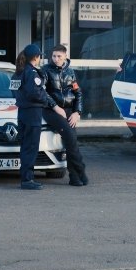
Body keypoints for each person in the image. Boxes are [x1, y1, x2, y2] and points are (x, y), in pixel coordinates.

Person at [13, 45, 66, 190]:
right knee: (31, 147)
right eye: (39, 56)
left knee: (25, 147)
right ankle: (27, 180)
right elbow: (35, 93)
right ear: (35, 57)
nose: (40, 58)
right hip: (33, 113)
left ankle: (26, 178)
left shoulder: (18, 72)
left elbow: (13, 91)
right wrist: (45, 100)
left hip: (22, 112)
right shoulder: (31, 73)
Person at [42, 44, 89, 187]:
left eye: (59, 56)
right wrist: (55, 107)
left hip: (68, 111)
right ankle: (81, 170)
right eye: (54, 56)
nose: (56, 59)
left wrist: (77, 112)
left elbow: (78, 93)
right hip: (51, 110)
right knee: (70, 137)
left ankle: (74, 177)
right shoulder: (45, 70)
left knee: (71, 141)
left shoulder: (70, 72)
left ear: (65, 57)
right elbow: (42, 92)